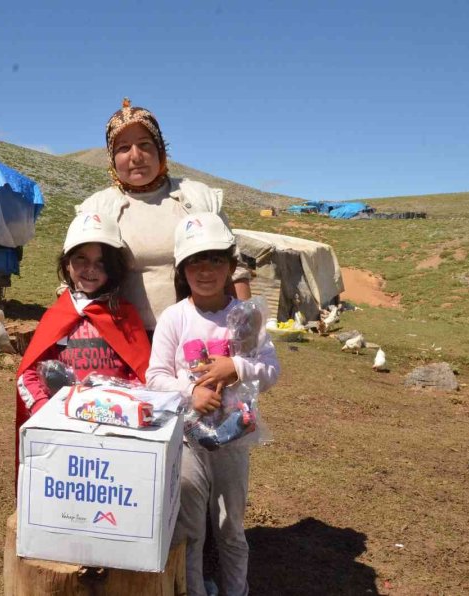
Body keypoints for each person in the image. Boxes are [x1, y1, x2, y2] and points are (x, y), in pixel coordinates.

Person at [146, 212, 279, 596]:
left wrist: (235, 367)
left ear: (231, 267)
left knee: (230, 526)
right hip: (187, 440)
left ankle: (236, 590)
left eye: (215, 260)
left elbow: (271, 370)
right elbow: (154, 377)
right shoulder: (174, 318)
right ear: (182, 270)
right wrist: (192, 393)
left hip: (234, 440)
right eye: (195, 262)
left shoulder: (245, 318)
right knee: (189, 528)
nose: (205, 271)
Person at [77, 98, 251, 334]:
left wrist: (246, 332)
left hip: (199, 334)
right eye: (123, 148)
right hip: (123, 338)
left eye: (145, 144)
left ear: (160, 149)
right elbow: (74, 280)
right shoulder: (97, 209)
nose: (136, 156)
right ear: (111, 157)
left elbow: (235, 269)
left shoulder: (199, 198)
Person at [14, 212, 151, 480]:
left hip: (115, 429)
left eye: (101, 262)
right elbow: (28, 373)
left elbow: (142, 374)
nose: (91, 269)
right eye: (81, 259)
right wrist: (45, 411)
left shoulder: (124, 315)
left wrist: (120, 412)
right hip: (61, 427)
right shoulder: (56, 315)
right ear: (67, 264)